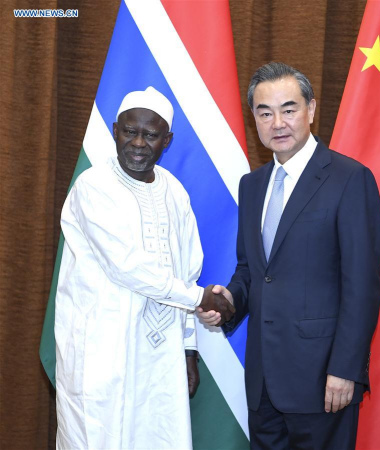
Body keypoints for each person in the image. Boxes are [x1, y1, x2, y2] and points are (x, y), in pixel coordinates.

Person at [198, 63, 380, 449]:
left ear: (311, 110)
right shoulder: (253, 185)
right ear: (255, 119)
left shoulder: (350, 179)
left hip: (323, 380)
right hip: (264, 381)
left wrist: (345, 369)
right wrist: (231, 299)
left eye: (289, 109)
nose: (277, 122)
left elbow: (362, 285)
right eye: (265, 112)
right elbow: (252, 270)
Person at [55, 86, 234, 449]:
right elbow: (127, 267)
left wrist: (188, 350)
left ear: (166, 140)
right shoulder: (94, 187)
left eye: (150, 135)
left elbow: (186, 271)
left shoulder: (175, 192)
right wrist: (201, 298)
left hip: (160, 353)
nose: (138, 142)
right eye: (129, 131)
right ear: (113, 130)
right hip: (102, 351)